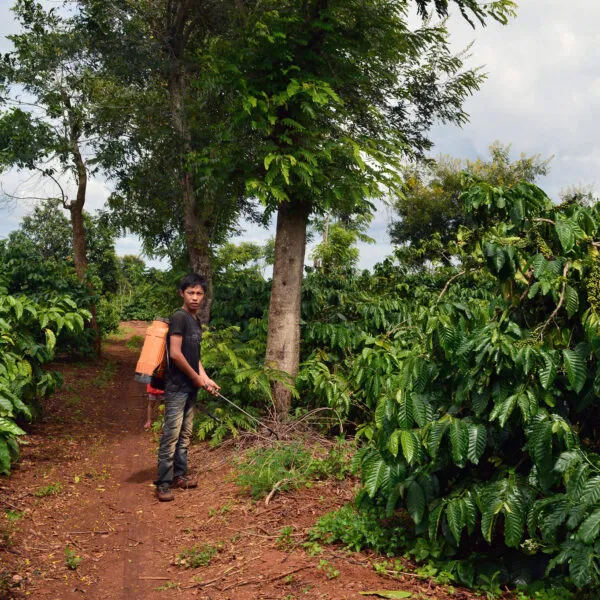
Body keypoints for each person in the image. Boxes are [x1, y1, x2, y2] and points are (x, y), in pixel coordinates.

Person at [155, 273, 220, 502]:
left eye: (199, 293)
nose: (195, 297)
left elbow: (195, 357)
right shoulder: (180, 317)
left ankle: (179, 476)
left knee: (185, 434)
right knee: (171, 434)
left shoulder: (196, 321)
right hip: (177, 386)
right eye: (190, 293)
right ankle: (163, 482)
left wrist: (206, 378)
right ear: (182, 293)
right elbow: (175, 353)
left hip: (191, 386)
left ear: (204, 296)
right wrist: (195, 378)